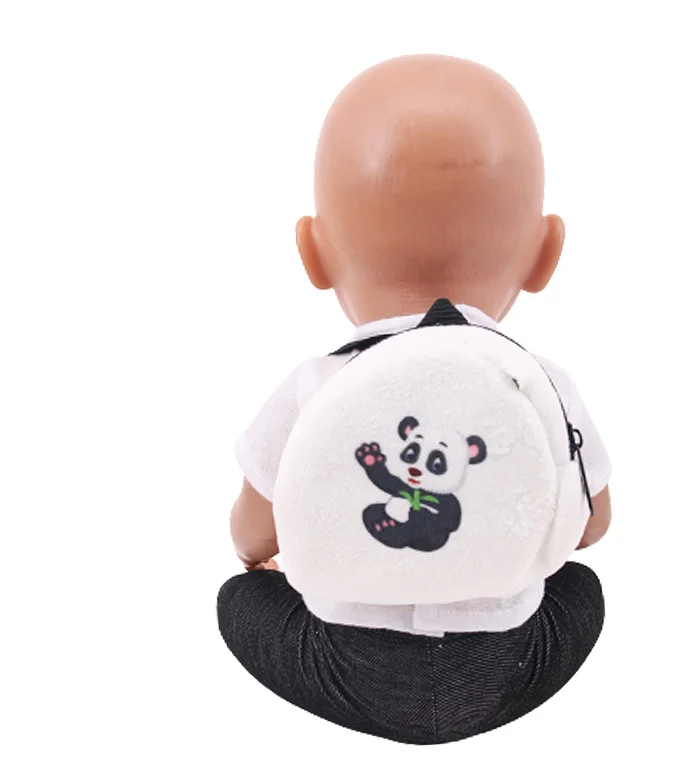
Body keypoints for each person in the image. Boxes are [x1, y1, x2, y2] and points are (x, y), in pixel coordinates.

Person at [218, 54, 612, 744]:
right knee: (582, 590)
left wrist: (265, 562)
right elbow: (591, 527)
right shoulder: (544, 384)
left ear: (314, 254)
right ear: (544, 254)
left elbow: (252, 535)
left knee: (237, 599)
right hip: (506, 663)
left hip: (344, 663)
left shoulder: (312, 387)